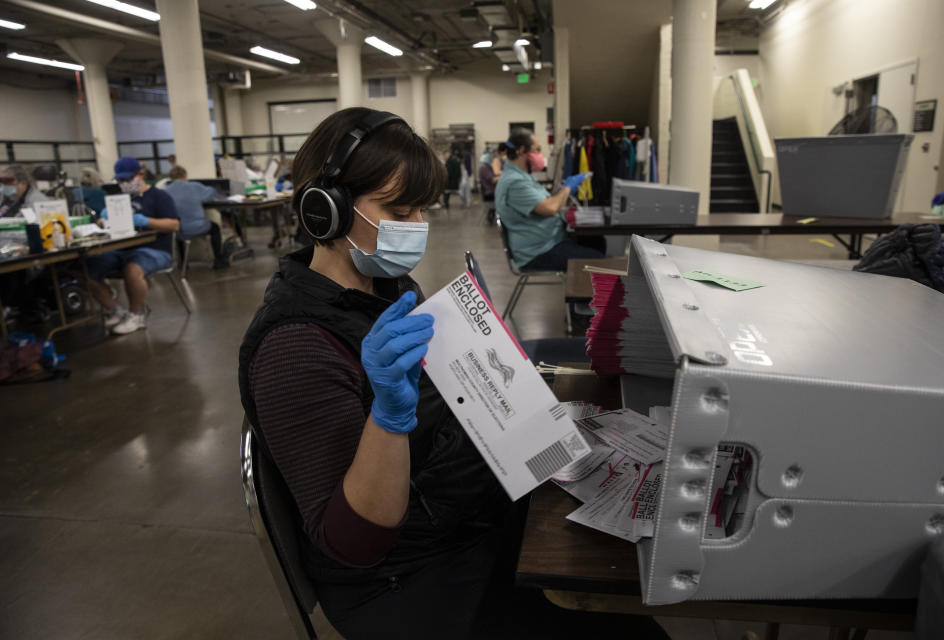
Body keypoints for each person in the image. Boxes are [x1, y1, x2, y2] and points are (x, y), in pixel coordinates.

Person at [238, 108, 665, 640]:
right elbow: (357, 541)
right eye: (398, 209)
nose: (417, 228)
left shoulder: (385, 289)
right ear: (325, 210)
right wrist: (389, 415)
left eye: (422, 209)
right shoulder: (294, 348)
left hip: (456, 519)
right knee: (605, 608)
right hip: (405, 579)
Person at [85, 157, 180, 335]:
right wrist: (102, 220)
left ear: (141, 174)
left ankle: (137, 315)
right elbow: (102, 222)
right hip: (121, 249)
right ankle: (115, 309)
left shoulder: (159, 197)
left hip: (156, 249)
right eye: (120, 180)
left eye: (128, 179)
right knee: (86, 269)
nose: (124, 184)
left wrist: (145, 221)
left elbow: (174, 225)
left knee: (132, 268)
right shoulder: (120, 200)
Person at [494, 128, 601, 271]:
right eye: (537, 150)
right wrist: (567, 188)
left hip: (546, 242)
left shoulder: (520, 175)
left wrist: (562, 193)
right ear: (521, 150)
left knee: (598, 242)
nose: (540, 155)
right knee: (598, 262)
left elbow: (546, 201)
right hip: (537, 252)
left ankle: (581, 291)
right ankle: (580, 290)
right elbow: (550, 208)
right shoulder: (515, 182)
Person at [164, 165, 229, 269]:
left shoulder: (165, 191)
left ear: (171, 177)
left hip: (177, 230)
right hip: (196, 227)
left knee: (177, 233)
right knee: (215, 228)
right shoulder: (194, 186)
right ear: (185, 175)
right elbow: (211, 193)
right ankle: (219, 260)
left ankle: (183, 264)